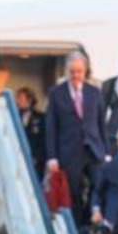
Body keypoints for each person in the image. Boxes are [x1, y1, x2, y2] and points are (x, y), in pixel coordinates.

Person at [44, 51, 107, 219]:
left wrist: (107, 152)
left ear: (85, 71)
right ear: (66, 71)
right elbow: (51, 127)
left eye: (79, 71)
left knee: (99, 183)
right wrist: (52, 157)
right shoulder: (56, 93)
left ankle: (93, 217)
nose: (75, 75)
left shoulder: (94, 92)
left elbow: (101, 124)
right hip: (69, 151)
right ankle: (78, 226)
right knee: (73, 191)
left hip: (94, 149)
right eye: (72, 71)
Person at [15, 87, 45, 157]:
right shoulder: (15, 117)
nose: (18, 101)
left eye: (20, 98)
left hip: (36, 159)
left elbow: (43, 141)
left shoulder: (41, 117)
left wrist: (38, 157)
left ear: (29, 100)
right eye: (17, 98)